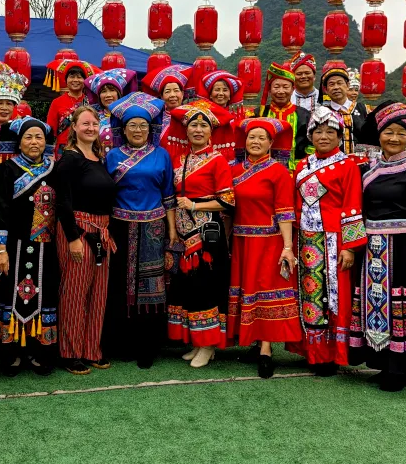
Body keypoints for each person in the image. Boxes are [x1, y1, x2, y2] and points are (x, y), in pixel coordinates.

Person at [348, 101, 406, 392]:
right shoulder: (367, 170)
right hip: (373, 246)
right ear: (380, 135)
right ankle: (384, 363)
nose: (394, 138)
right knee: (376, 304)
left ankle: (403, 370)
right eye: (389, 132)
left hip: (405, 246)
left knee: (401, 304)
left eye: (401, 133)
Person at [286, 107, 367, 376]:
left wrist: (349, 247)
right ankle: (312, 351)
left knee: (333, 297)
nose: (323, 136)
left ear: (339, 136)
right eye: (318, 131)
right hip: (305, 240)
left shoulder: (348, 166)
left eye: (329, 132)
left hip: (334, 240)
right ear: (310, 136)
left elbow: (353, 205)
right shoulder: (302, 165)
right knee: (309, 295)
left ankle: (332, 354)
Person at [102, 93, 177, 369]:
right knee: (119, 283)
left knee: (151, 287)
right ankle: (121, 343)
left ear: (151, 129)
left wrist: (172, 233)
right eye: (132, 125)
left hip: (154, 227)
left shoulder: (161, 155)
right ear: (123, 129)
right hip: (119, 226)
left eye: (143, 126)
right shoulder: (111, 156)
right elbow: (105, 194)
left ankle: (148, 346)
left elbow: (168, 195)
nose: (137, 130)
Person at [0, 117, 60, 377]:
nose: (34, 142)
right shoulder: (7, 170)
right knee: (11, 295)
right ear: (18, 142)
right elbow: (0, 211)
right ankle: (11, 353)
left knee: (44, 294)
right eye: (28, 137)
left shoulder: (54, 169)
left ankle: (40, 352)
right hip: (15, 246)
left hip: (46, 248)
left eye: (39, 137)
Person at [229, 118, 302, 378]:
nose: (256, 142)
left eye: (262, 138)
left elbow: (285, 211)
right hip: (241, 241)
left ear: (271, 143)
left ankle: (266, 350)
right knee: (248, 290)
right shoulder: (234, 171)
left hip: (269, 242)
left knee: (266, 290)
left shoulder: (278, 172)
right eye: (251, 137)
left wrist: (287, 246)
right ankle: (254, 340)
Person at [168, 100, 234, 368]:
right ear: (186, 131)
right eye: (193, 125)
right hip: (185, 233)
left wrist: (195, 204)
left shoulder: (218, 160)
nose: (197, 129)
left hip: (207, 233)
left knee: (206, 287)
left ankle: (208, 345)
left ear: (211, 132)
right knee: (189, 288)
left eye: (203, 125)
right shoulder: (180, 159)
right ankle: (198, 342)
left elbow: (228, 200)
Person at [53, 106, 118, 374]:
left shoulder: (97, 157)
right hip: (77, 229)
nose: (90, 128)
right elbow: (63, 201)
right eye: (85, 123)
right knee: (75, 294)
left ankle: (92, 349)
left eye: (94, 123)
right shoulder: (69, 159)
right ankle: (70, 353)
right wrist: (72, 238)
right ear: (74, 127)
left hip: (101, 231)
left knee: (97, 294)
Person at [251, 62, 312, 170]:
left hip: (297, 171)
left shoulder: (305, 115)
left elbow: (311, 145)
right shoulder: (258, 114)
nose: (281, 91)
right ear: (270, 90)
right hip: (263, 169)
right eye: (276, 87)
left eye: (285, 87)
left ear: (293, 89)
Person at [45, 59, 100, 156]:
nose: (75, 80)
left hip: (86, 147)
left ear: (85, 80)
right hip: (63, 148)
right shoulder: (57, 102)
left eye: (79, 77)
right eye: (72, 77)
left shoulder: (92, 102)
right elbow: (50, 130)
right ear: (66, 80)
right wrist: (49, 154)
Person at [141, 65, 195, 163]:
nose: (172, 95)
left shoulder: (192, 116)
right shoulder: (155, 118)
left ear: (182, 93)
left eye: (176, 90)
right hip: (159, 164)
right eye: (167, 91)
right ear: (161, 96)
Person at [84, 68, 138, 154]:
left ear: (119, 93)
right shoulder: (93, 117)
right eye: (103, 91)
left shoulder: (130, 116)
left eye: (112, 90)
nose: (108, 95)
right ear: (99, 96)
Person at [319, 62, 367, 156]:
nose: (336, 87)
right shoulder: (321, 113)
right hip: (332, 164)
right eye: (331, 84)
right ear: (325, 89)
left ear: (347, 85)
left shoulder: (364, 110)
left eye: (339, 83)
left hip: (361, 164)